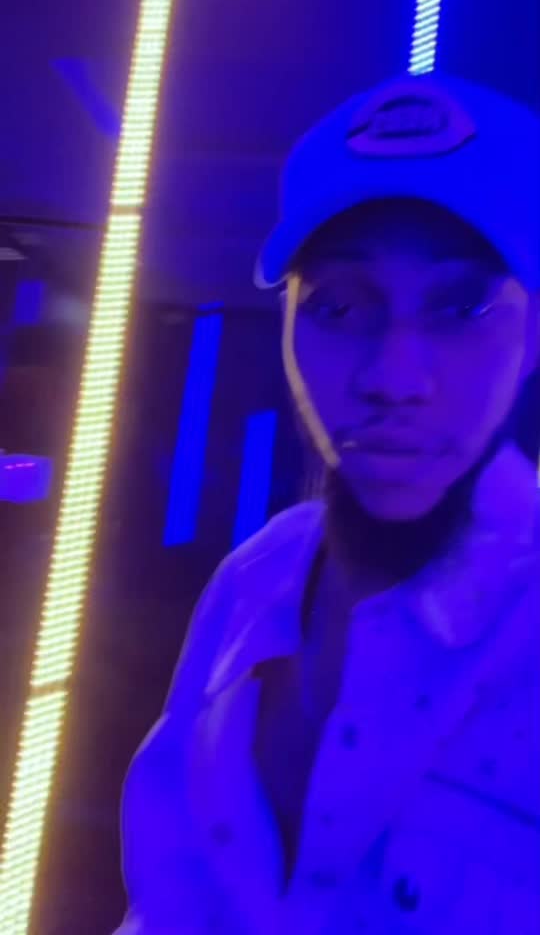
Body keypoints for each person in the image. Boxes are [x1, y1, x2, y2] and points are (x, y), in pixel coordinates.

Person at [113, 73, 540, 934]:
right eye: (340, 305)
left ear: (531, 336)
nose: (394, 379)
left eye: (462, 307)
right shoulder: (253, 582)